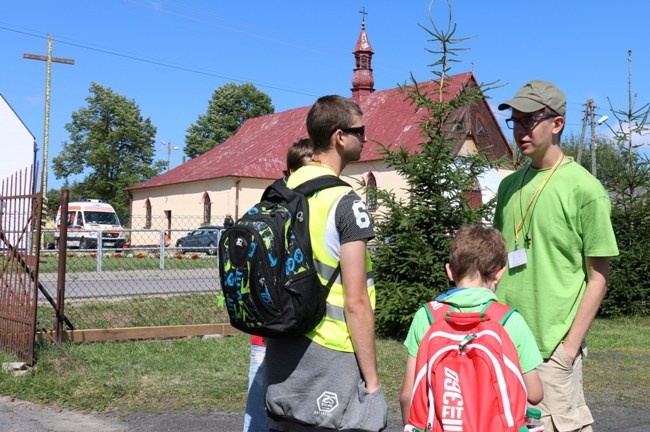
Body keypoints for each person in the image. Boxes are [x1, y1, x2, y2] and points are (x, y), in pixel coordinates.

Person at [494, 80, 619, 432]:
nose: (520, 130)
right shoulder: (508, 186)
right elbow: (498, 262)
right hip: (504, 342)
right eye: (515, 121)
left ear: (557, 123)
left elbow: (598, 278)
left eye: (529, 120)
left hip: (551, 353)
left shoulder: (585, 189)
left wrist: (567, 352)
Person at [265, 95, 387, 432]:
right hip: (330, 348)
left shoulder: (281, 190)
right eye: (360, 131)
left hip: (281, 343)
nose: (365, 138)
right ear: (339, 136)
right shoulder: (345, 203)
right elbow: (356, 301)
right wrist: (373, 382)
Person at [399, 224, 544, 425]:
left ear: (450, 271)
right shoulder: (509, 320)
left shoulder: (427, 317)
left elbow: (408, 395)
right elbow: (535, 394)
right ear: (499, 273)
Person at [243, 137, 315, 432]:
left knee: (261, 408)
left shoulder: (266, 206)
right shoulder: (298, 212)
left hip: (268, 327)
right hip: (283, 329)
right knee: (272, 409)